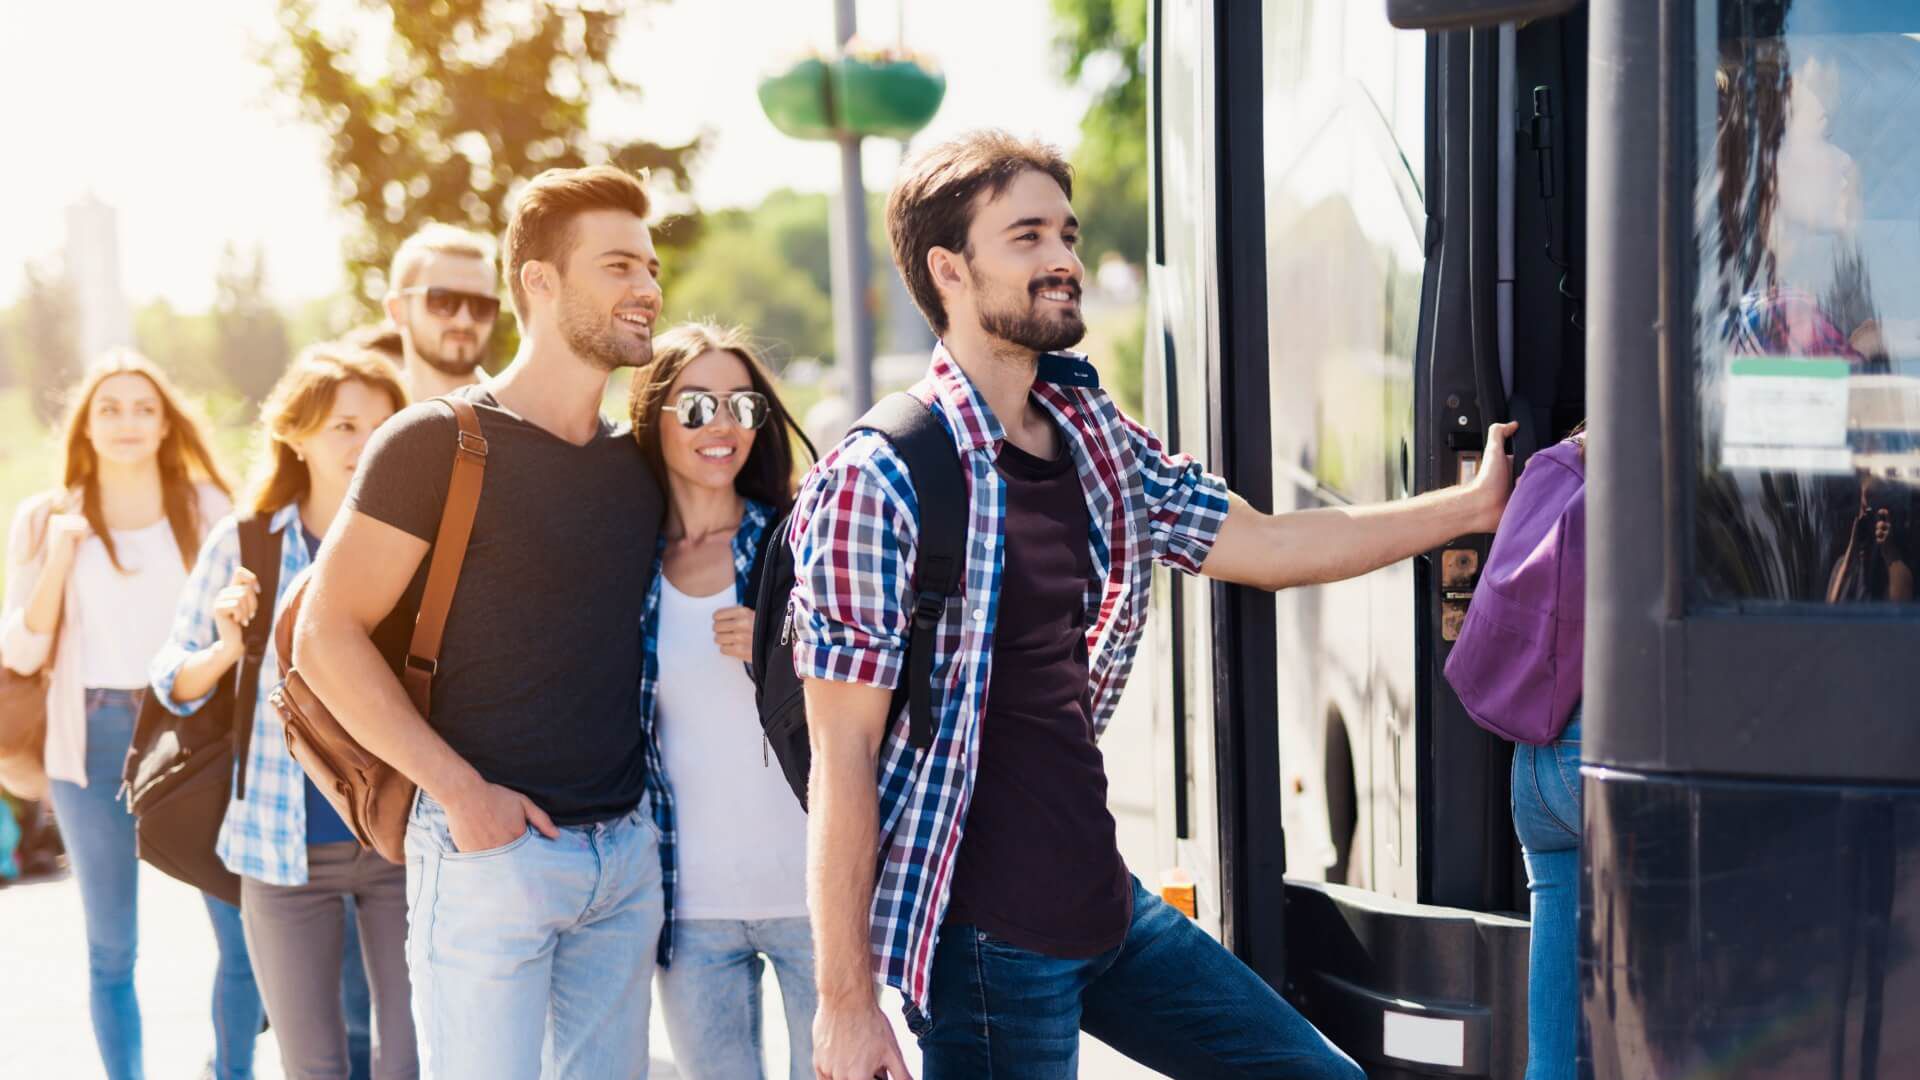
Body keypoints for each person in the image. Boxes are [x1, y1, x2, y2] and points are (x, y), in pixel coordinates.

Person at [790, 130, 1516, 1080]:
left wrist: (1470, 506)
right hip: (986, 948)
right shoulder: (881, 477)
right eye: (1026, 238)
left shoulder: (1088, 434)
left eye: (1068, 234)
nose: (1064, 260)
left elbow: (1263, 544)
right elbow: (841, 758)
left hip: (1103, 907)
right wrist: (845, 1005)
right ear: (948, 270)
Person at [293, 165, 671, 1079]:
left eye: (652, 268)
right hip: (487, 860)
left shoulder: (638, 463)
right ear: (539, 282)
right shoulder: (435, 442)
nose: (649, 289)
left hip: (622, 862)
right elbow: (324, 634)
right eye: (619, 266)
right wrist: (461, 794)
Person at [151, 344, 416, 1079]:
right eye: (344, 426)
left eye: (382, 426)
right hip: (278, 847)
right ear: (295, 434)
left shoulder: (420, 545)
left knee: (415, 1059)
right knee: (314, 1066)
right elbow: (173, 678)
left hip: (403, 839)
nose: (365, 444)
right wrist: (228, 647)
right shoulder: (245, 543)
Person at [0, 351, 261, 1080]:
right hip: (93, 733)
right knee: (111, 945)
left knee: (241, 935)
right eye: (109, 408)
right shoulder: (45, 516)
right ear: (85, 424)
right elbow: (19, 649)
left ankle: (232, 1069)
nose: (127, 422)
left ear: (166, 422)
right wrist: (58, 555)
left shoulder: (211, 505)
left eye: (144, 407)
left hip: (197, 729)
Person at [628, 322, 815, 1079]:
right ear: (654, 419)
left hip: (815, 898)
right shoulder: (624, 560)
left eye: (744, 405)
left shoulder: (800, 539)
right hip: (689, 905)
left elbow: (885, 678)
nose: (726, 425)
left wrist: (787, 649)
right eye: (699, 407)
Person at [382, 223, 501, 401]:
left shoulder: (524, 418)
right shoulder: (367, 420)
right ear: (397, 310)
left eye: (482, 305)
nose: (464, 321)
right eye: (442, 301)